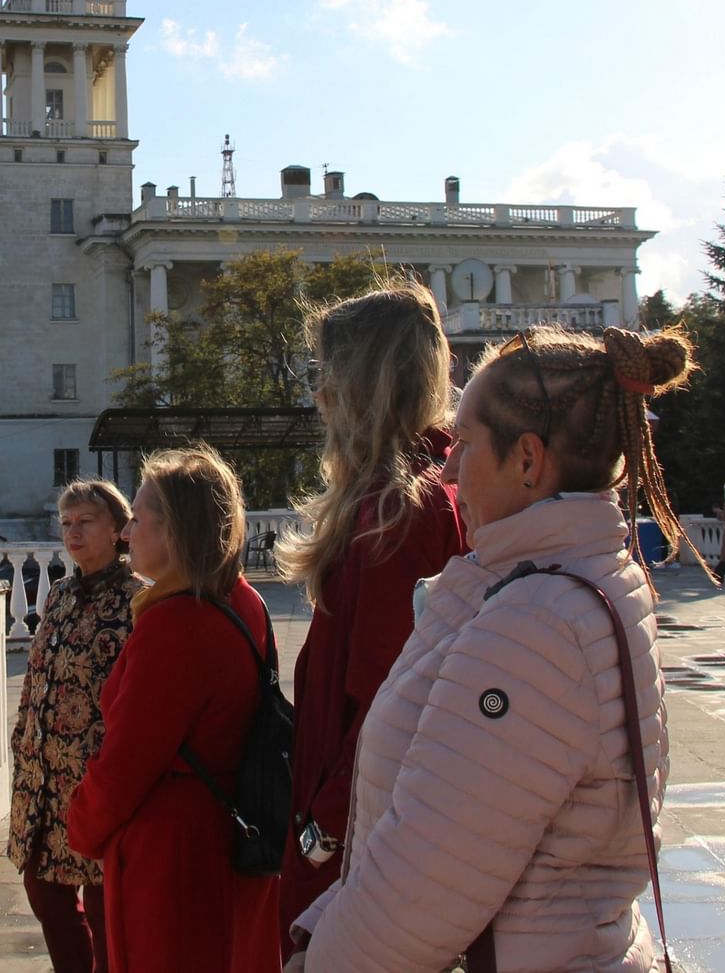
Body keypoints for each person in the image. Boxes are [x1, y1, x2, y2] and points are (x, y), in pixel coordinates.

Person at [288, 325, 696, 972]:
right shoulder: (569, 579)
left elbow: (424, 884)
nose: (448, 466)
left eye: (468, 444)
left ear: (528, 460)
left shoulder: (536, 626)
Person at [275, 280, 468, 949]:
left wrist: (317, 837)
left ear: (363, 384)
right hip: (361, 829)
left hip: (358, 845)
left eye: (328, 373)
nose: (317, 392)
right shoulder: (418, 490)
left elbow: (394, 701)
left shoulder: (395, 513)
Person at [68, 445, 283, 973]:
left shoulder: (174, 625)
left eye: (138, 519)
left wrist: (81, 826)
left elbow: (125, 766)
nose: (125, 532)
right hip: (233, 837)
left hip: (173, 860)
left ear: (175, 532)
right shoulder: (242, 601)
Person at [8, 478, 145, 973]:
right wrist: (22, 740)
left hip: (97, 779)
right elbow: (37, 675)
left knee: (107, 903)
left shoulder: (137, 600)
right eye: (66, 523)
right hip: (43, 780)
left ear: (118, 529)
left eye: (86, 521)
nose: (73, 532)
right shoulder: (60, 594)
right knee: (43, 890)